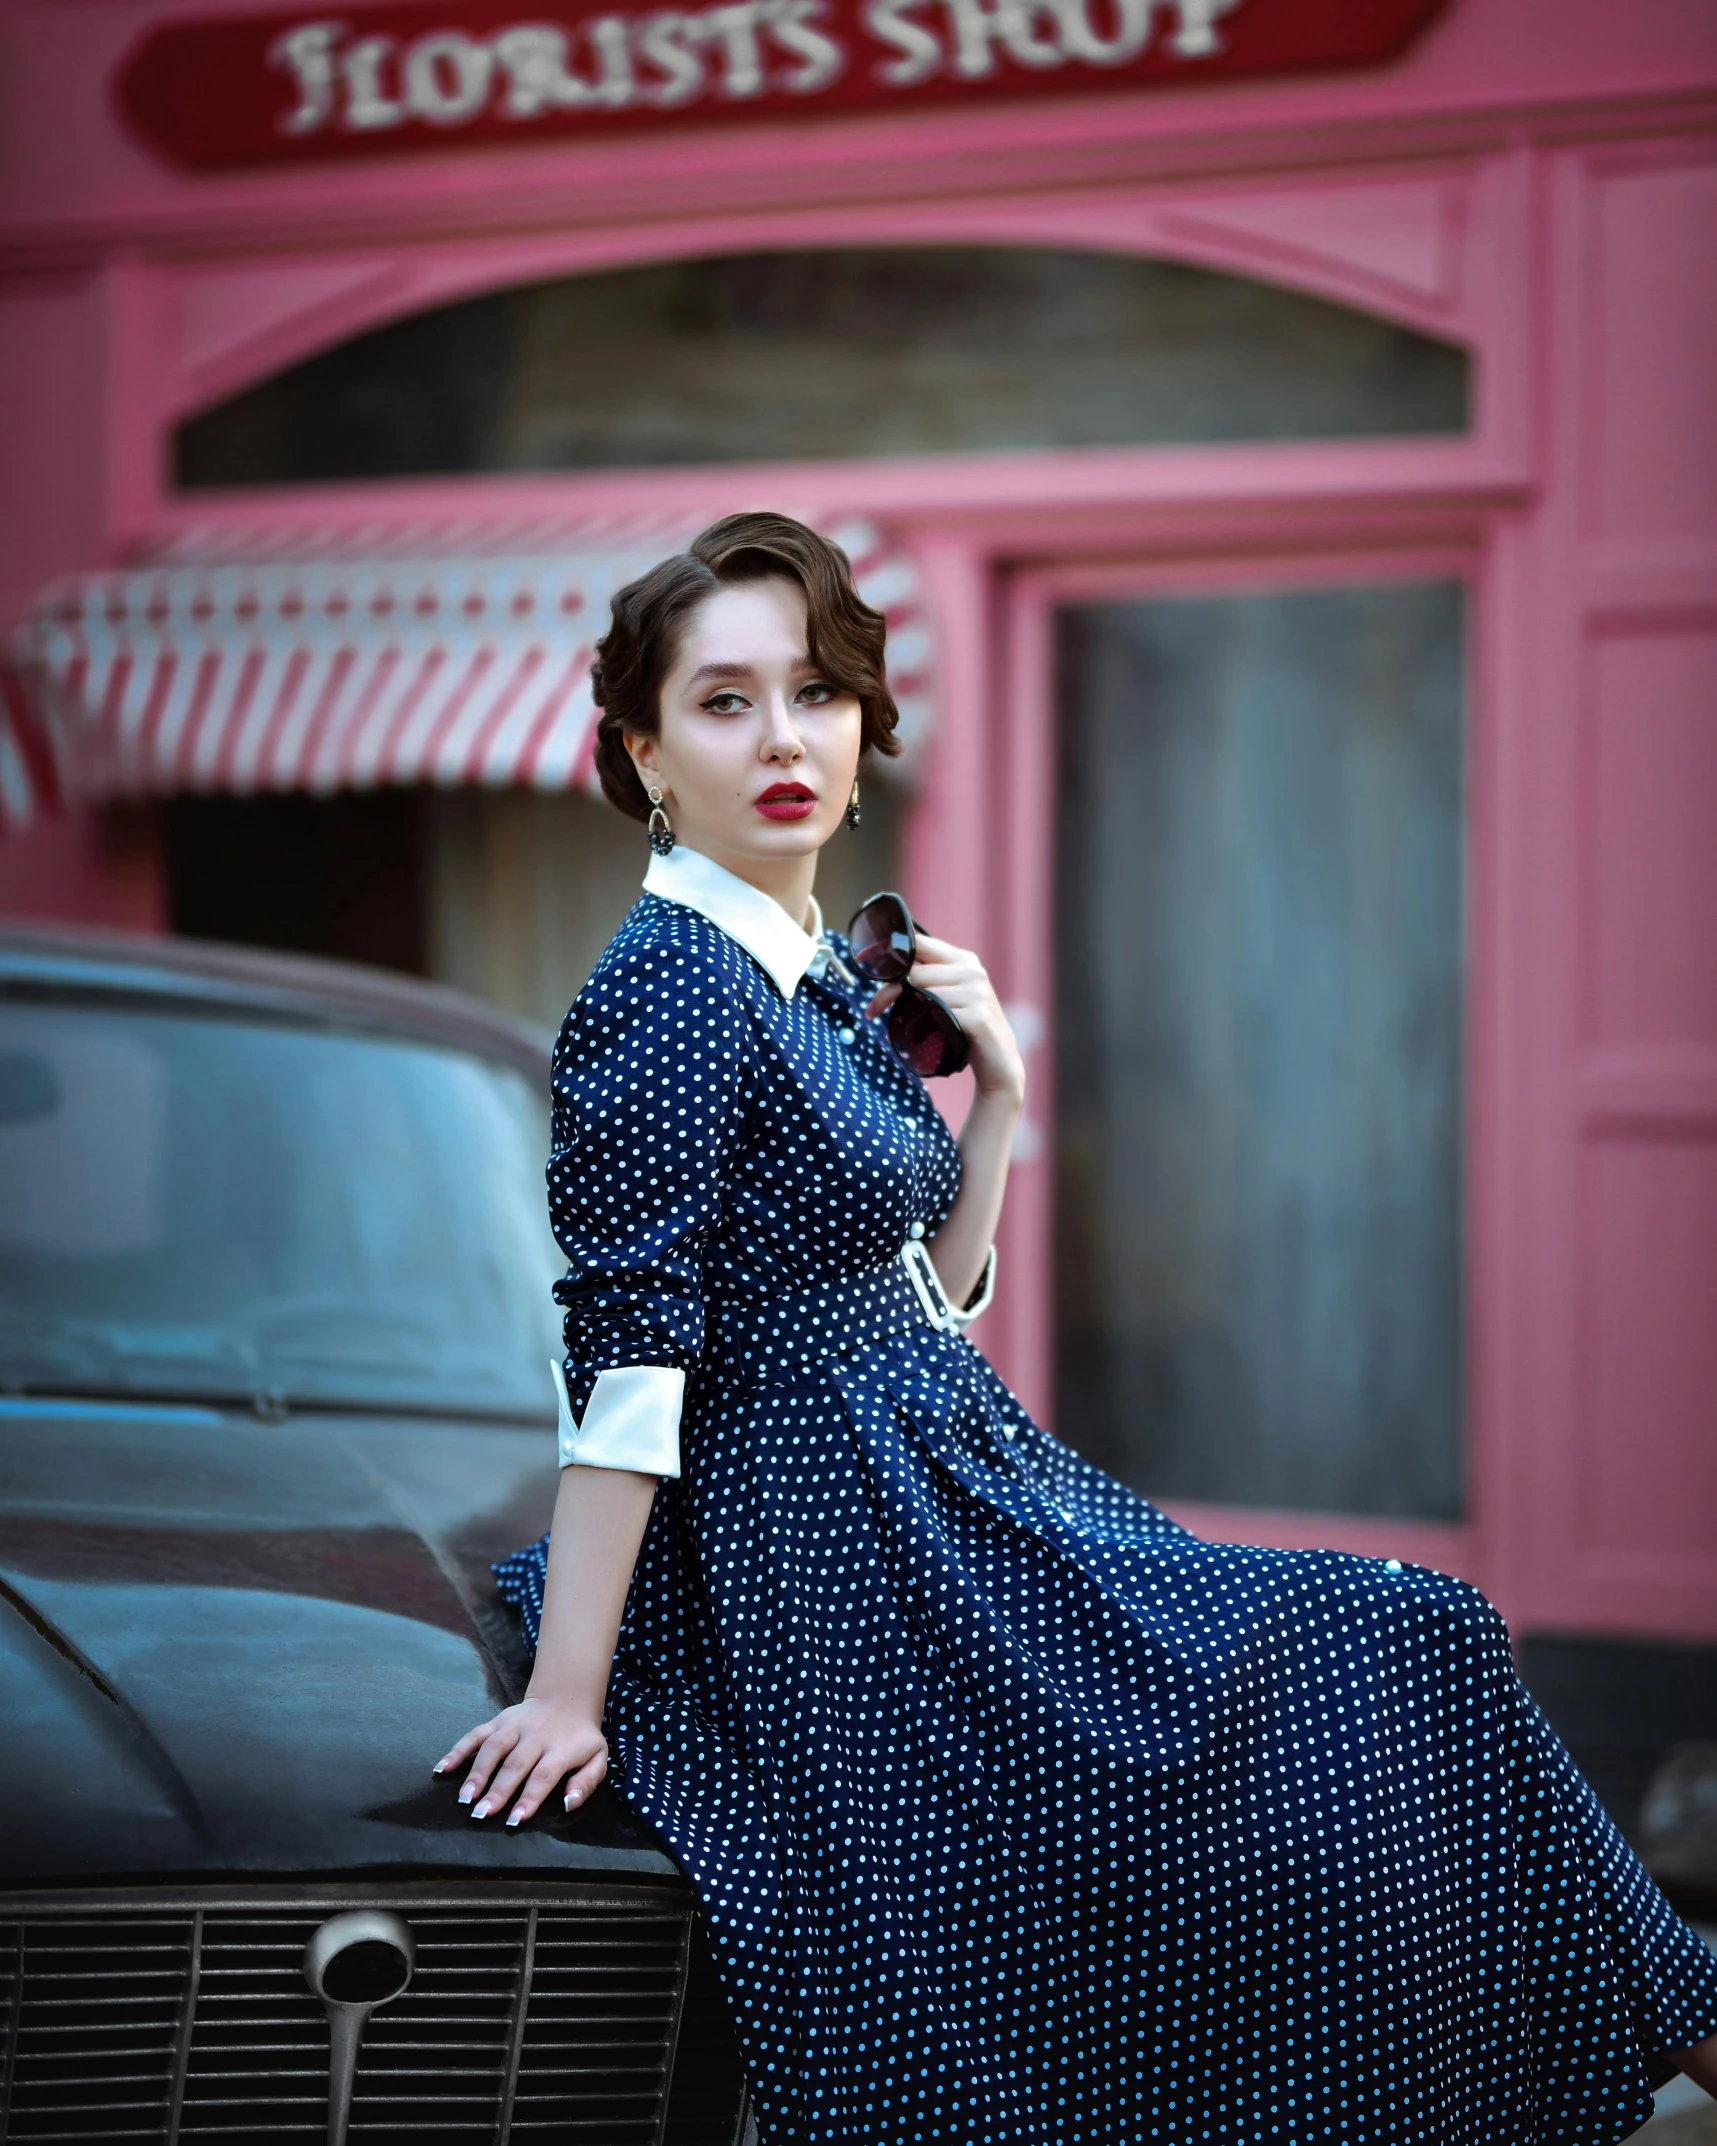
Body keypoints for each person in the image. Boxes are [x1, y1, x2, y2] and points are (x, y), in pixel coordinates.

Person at [437, 511, 1717, 2144]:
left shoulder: (802, 969)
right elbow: (627, 1354)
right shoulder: (670, 984)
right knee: (1403, 1643)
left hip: (957, 1475)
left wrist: (1002, 1107)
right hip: (838, 1547)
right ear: (644, 750)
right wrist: (570, 1692)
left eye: (819, 695)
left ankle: (1647, 2034)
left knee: (1410, 1661)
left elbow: (921, 1287)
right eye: (726, 701)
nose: (785, 740)